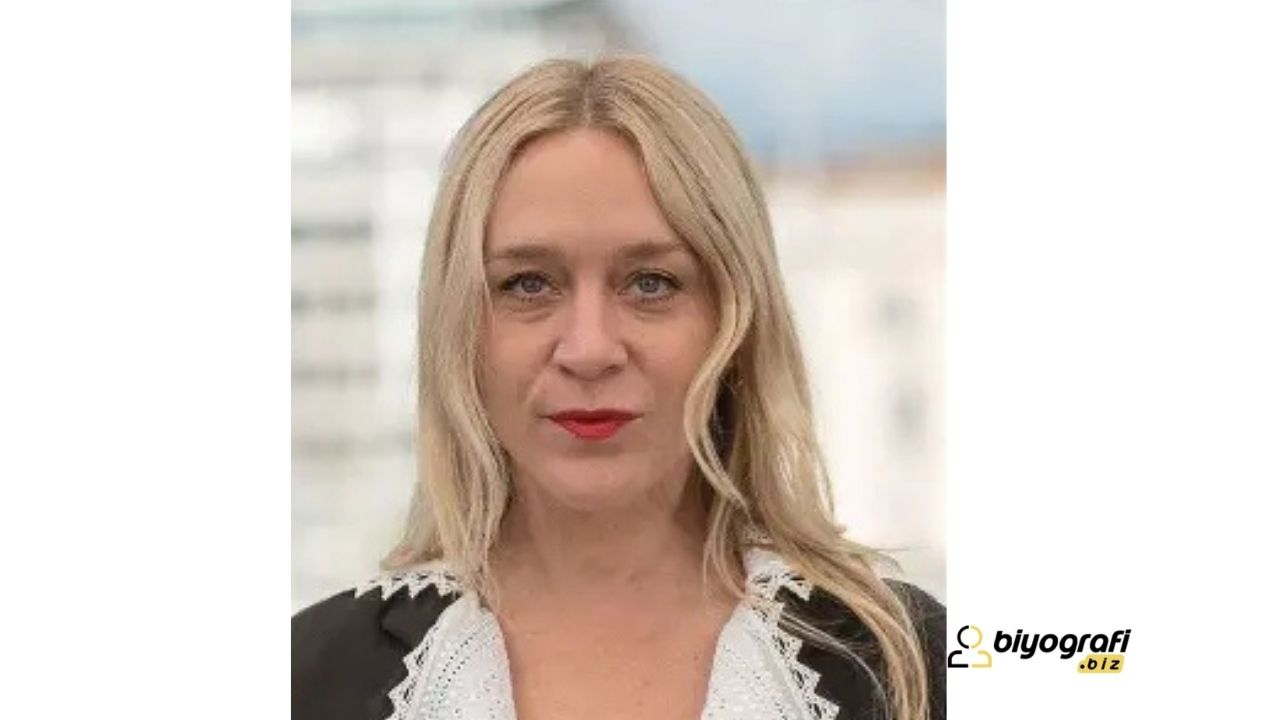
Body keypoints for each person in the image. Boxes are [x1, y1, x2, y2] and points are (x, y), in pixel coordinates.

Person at [292, 55, 946, 720]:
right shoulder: (304, 677)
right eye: (528, 284)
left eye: (650, 284)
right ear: (459, 328)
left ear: (736, 319)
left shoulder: (917, 664)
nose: (589, 350)